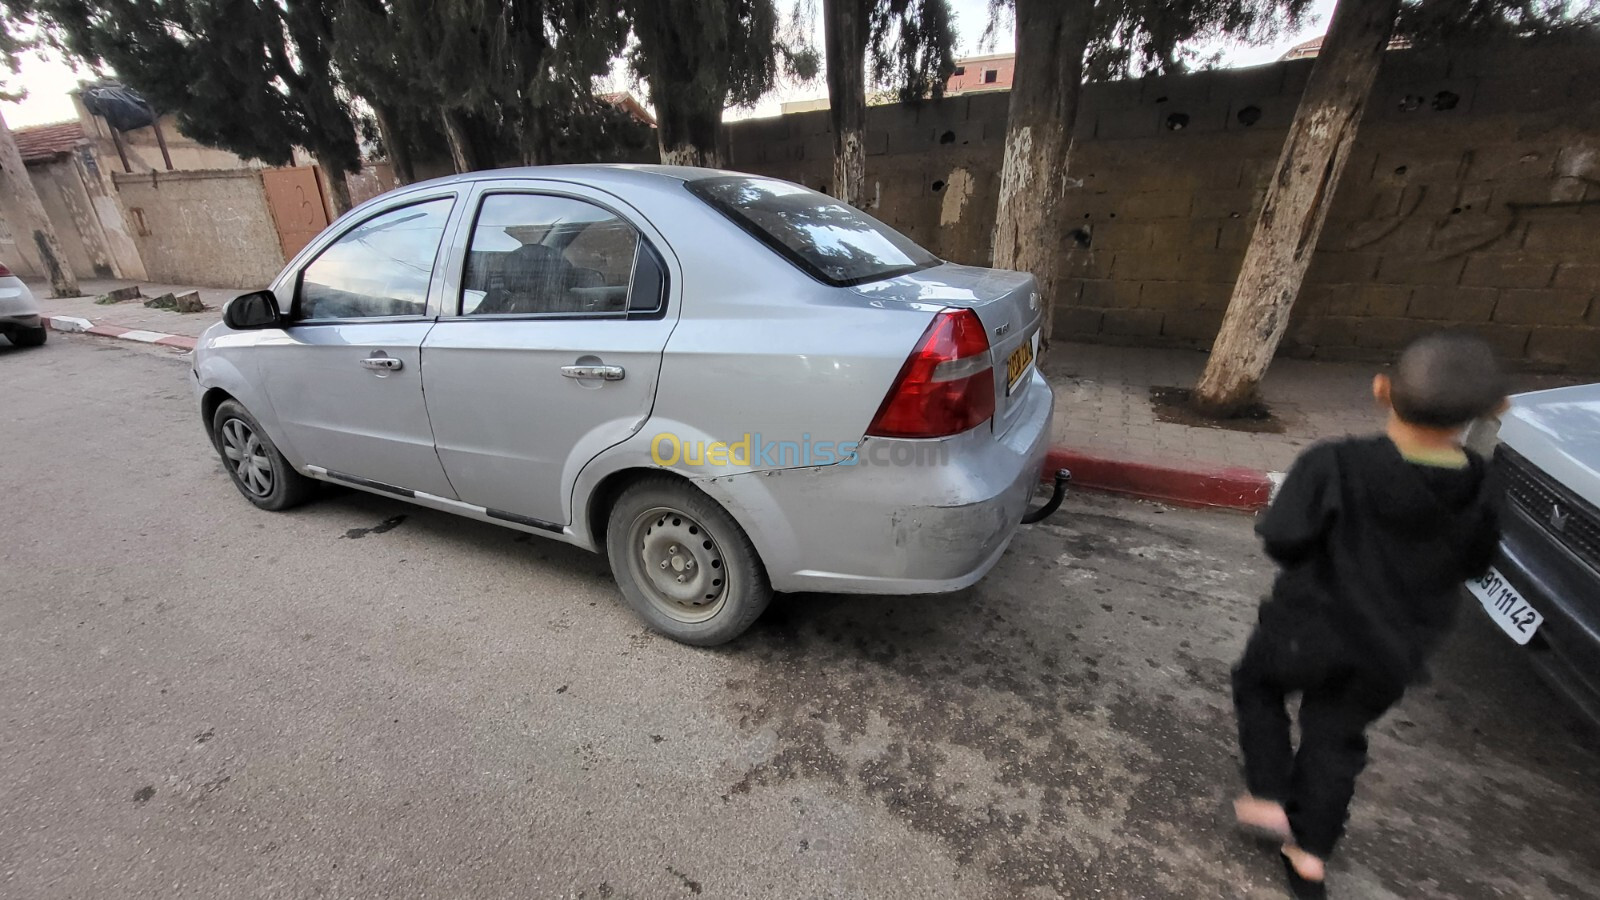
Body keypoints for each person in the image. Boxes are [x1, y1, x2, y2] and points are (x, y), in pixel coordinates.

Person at [1229, 332, 1508, 897]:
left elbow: (1284, 537)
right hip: (1394, 648)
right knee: (1337, 737)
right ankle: (1309, 853)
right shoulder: (1483, 486)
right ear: (1492, 411)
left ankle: (1268, 794)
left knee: (1256, 686)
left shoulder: (1334, 464)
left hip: (1306, 631)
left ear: (1381, 390)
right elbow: (1478, 562)